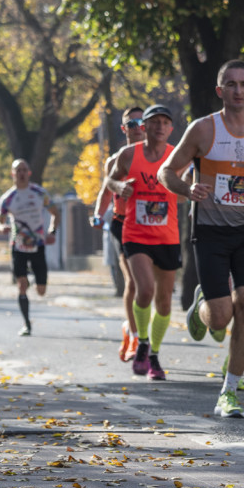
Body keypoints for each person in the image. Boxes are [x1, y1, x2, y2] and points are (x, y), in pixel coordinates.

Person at [158, 60, 244, 418]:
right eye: (230, 84)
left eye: (243, 84)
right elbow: (166, 171)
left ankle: (229, 391)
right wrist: (187, 188)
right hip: (211, 232)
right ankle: (203, 307)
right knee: (221, 317)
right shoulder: (203, 130)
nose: (237, 90)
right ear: (220, 91)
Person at [106, 104, 181, 380]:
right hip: (136, 234)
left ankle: (154, 354)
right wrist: (120, 187)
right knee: (144, 289)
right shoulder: (129, 154)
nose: (160, 127)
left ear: (170, 129)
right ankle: (142, 340)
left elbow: (185, 189)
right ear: (144, 127)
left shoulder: (176, 156)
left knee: (164, 301)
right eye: (154, 122)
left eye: (165, 122)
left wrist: (186, 190)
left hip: (167, 235)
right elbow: (110, 180)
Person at [93, 107, 148, 363]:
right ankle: (136, 335)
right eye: (132, 123)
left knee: (150, 285)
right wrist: (97, 213)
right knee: (133, 282)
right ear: (124, 128)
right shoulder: (114, 159)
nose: (138, 126)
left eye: (141, 121)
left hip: (150, 223)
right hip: (122, 222)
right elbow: (106, 190)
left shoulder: (156, 156)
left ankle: (131, 327)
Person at [0, 159, 59, 336]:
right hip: (18, 246)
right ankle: (26, 324)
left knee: (41, 291)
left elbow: (55, 213)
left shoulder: (39, 193)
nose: (21, 173)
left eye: (24, 170)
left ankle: (36, 281)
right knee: (21, 285)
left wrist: (52, 231)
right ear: (12, 174)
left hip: (38, 245)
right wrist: (1, 228)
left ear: (29, 173)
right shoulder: (8, 198)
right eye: (18, 170)